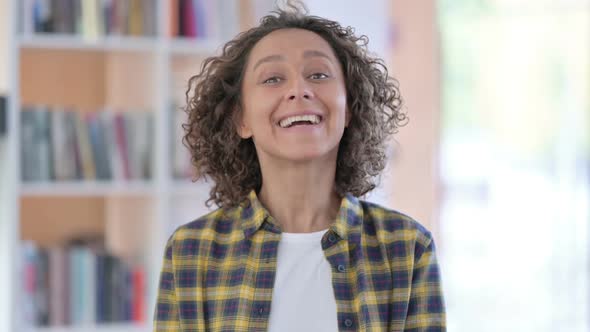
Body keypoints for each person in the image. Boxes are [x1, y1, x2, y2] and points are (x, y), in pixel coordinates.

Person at [154, 2, 446, 331]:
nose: (298, 90)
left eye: (318, 75)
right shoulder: (190, 252)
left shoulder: (407, 248)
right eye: (273, 78)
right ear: (241, 118)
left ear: (349, 108)